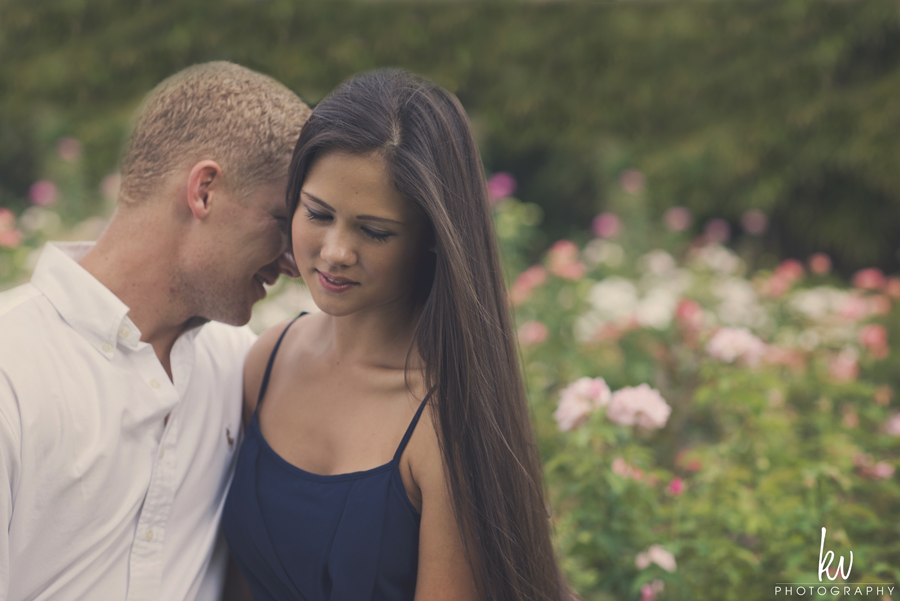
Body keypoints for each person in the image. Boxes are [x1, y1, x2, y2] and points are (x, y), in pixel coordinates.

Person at [222, 69, 568, 601]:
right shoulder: (267, 361)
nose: (336, 251)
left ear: (433, 237)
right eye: (317, 213)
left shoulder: (445, 421)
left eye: (374, 230)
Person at [0, 61, 310, 601]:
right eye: (283, 221)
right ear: (205, 191)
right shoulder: (12, 369)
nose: (294, 262)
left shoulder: (244, 368)